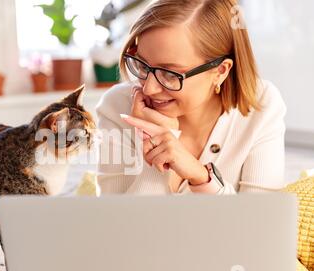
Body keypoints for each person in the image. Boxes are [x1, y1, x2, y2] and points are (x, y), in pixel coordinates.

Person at [96, 0, 287, 195]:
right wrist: (154, 158)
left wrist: (201, 177)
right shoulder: (117, 107)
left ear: (220, 71)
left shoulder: (263, 105)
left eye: (170, 74)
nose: (149, 89)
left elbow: (259, 222)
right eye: (143, 66)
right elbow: (117, 222)